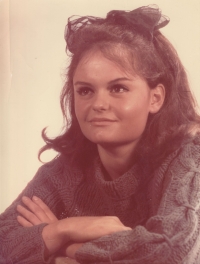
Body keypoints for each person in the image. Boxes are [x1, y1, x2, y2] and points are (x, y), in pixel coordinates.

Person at [1, 5, 200, 264]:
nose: (98, 104)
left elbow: (169, 252)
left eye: (117, 88)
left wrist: (65, 249)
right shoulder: (66, 170)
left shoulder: (189, 159)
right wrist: (69, 228)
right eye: (85, 91)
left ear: (155, 98)